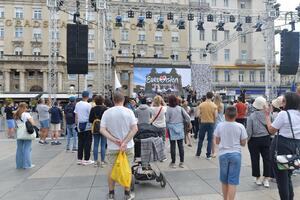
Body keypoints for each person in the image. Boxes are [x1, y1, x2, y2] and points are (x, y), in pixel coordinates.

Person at [100, 92, 138, 200]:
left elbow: (102, 129)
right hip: (128, 146)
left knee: (111, 170)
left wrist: (114, 140)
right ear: (123, 100)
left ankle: (111, 194)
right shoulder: (129, 112)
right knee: (127, 169)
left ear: (113, 100)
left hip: (112, 146)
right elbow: (135, 129)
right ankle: (127, 194)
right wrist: (124, 142)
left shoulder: (107, 112)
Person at [265, 92, 300, 200]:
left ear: (288, 102)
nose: (282, 103)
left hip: (282, 147)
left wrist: (267, 116)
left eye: (283, 101)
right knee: (288, 176)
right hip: (296, 147)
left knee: (282, 179)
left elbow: (271, 130)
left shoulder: (284, 114)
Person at [214, 106, 247, 200]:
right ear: (236, 115)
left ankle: (225, 198)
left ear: (225, 115)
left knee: (224, 180)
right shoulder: (240, 126)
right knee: (232, 180)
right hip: (236, 154)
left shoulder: (220, 125)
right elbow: (243, 143)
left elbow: (216, 141)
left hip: (223, 154)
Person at [246, 96, 271, 187]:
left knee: (255, 159)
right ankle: (266, 179)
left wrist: (247, 140)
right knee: (267, 159)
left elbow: (249, 131)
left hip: (254, 140)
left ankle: (257, 178)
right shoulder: (268, 115)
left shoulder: (251, 116)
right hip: (266, 139)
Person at [166, 95, 191, 168]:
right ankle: (182, 162)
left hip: (171, 128)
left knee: (173, 146)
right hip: (180, 127)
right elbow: (188, 118)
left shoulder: (168, 109)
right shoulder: (180, 108)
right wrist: (186, 123)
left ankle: (173, 163)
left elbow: (167, 120)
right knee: (181, 146)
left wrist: (168, 126)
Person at [196, 92, 217, 159]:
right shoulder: (214, 105)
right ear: (212, 97)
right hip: (211, 123)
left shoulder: (201, 105)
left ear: (206, 96)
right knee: (210, 140)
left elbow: (197, 115)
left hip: (203, 123)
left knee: (201, 139)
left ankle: (198, 154)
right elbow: (216, 116)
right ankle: (208, 155)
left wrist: (201, 117)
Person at [14, 102, 36, 169]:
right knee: (27, 148)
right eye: (26, 107)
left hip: (19, 133)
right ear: (24, 108)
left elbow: (16, 125)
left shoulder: (15, 114)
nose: (27, 108)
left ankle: (19, 165)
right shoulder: (26, 114)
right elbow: (33, 123)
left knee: (19, 149)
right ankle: (27, 165)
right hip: (26, 133)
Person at [74, 91, 93, 166]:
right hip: (87, 125)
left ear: (82, 96)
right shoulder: (88, 105)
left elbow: (76, 115)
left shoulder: (77, 104)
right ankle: (86, 159)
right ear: (88, 96)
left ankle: (79, 159)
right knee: (87, 142)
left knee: (80, 142)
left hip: (79, 124)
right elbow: (90, 116)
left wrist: (76, 124)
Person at [89, 95, 107, 167]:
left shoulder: (93, 109)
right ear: (102, 101)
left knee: (95, 145)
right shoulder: (105, 109)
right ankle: (102, 161)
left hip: (95, 128)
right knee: (103, 145)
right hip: (104, 128)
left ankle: (95, 161)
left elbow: (90, 119)